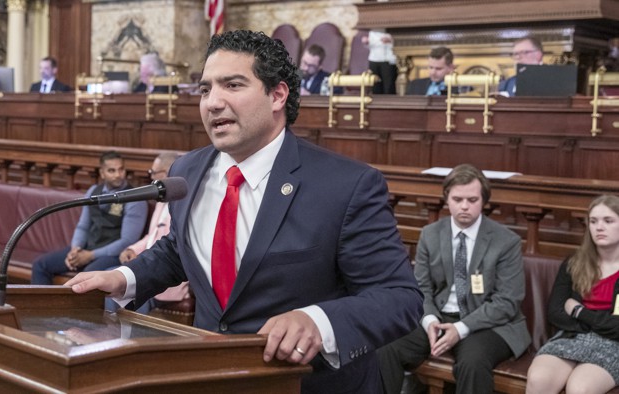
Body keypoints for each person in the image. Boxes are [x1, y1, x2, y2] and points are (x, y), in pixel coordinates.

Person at [65, 30, 423, 393]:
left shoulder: (346, 185)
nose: (213, 103)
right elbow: (180, 248)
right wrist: (125, 278)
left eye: (232, 85)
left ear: (277, 95)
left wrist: (318, 321)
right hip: (213, 377)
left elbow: (399, 297)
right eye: (205, 90)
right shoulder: (186, 171)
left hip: (308, 384)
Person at [378, 164, 531, 394]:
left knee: (472, 363)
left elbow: (507, 302)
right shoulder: (430, 234)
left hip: (487, 324)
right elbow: (420, 288)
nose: (465, 206)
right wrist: (429, 320)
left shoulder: (505, 241)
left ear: (484, 201)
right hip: (439, 317)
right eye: (458, 199)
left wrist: (460, 328)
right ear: (447, 199)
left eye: (472, 199)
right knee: (387, 347)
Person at [526, 195, 619, 394]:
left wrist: (578, 311)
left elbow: (617, 326)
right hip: (571, 336)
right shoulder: (574, 263)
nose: (599, 227)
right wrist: (594, 323)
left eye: (608, 221)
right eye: (593, 221)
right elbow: (556, 311)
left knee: (580, 389)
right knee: (538, 379)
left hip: (613, 344)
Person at [30, 150, 147, 285]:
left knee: (87, 276)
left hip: (113, 254)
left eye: (121, 170)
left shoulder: (135, 199)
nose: (118, 175)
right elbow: (83, 226)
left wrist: (90, 255)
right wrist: (75, 249)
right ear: (102, 173)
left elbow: (127, 241)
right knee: (40, 265)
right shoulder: (93, 191)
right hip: (87, 248)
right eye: (112, 171)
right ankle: (45, 306)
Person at [117, 151, 189, 312]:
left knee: (127, 292)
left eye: (153, 173)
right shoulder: (161, 200)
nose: (151, 177)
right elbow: (152, 235)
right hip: (149, 262)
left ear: (166, 173)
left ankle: (126, 336)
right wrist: (132, 249)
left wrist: (142, 258)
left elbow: (172, 245)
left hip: (168, 275)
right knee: (112, 281)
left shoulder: (184, 203)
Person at [364, 29, 398, 95]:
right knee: (375, 85)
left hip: (388, 60)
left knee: (389, 87)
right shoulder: (372, 31)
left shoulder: (393, 28)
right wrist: (366, 42)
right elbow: (368, 45)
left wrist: (391, 40)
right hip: (374, 59)